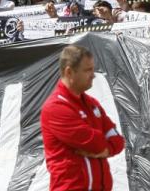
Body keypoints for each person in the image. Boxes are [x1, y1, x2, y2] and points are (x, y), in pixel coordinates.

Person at [41, 45, 125, 191]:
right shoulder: (55, 107)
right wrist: (103, 143)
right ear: (69, 72)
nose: (93, 75)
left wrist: (105, 150)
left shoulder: (92, 103)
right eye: (88, 70)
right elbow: (95, 143)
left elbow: (117, 140)